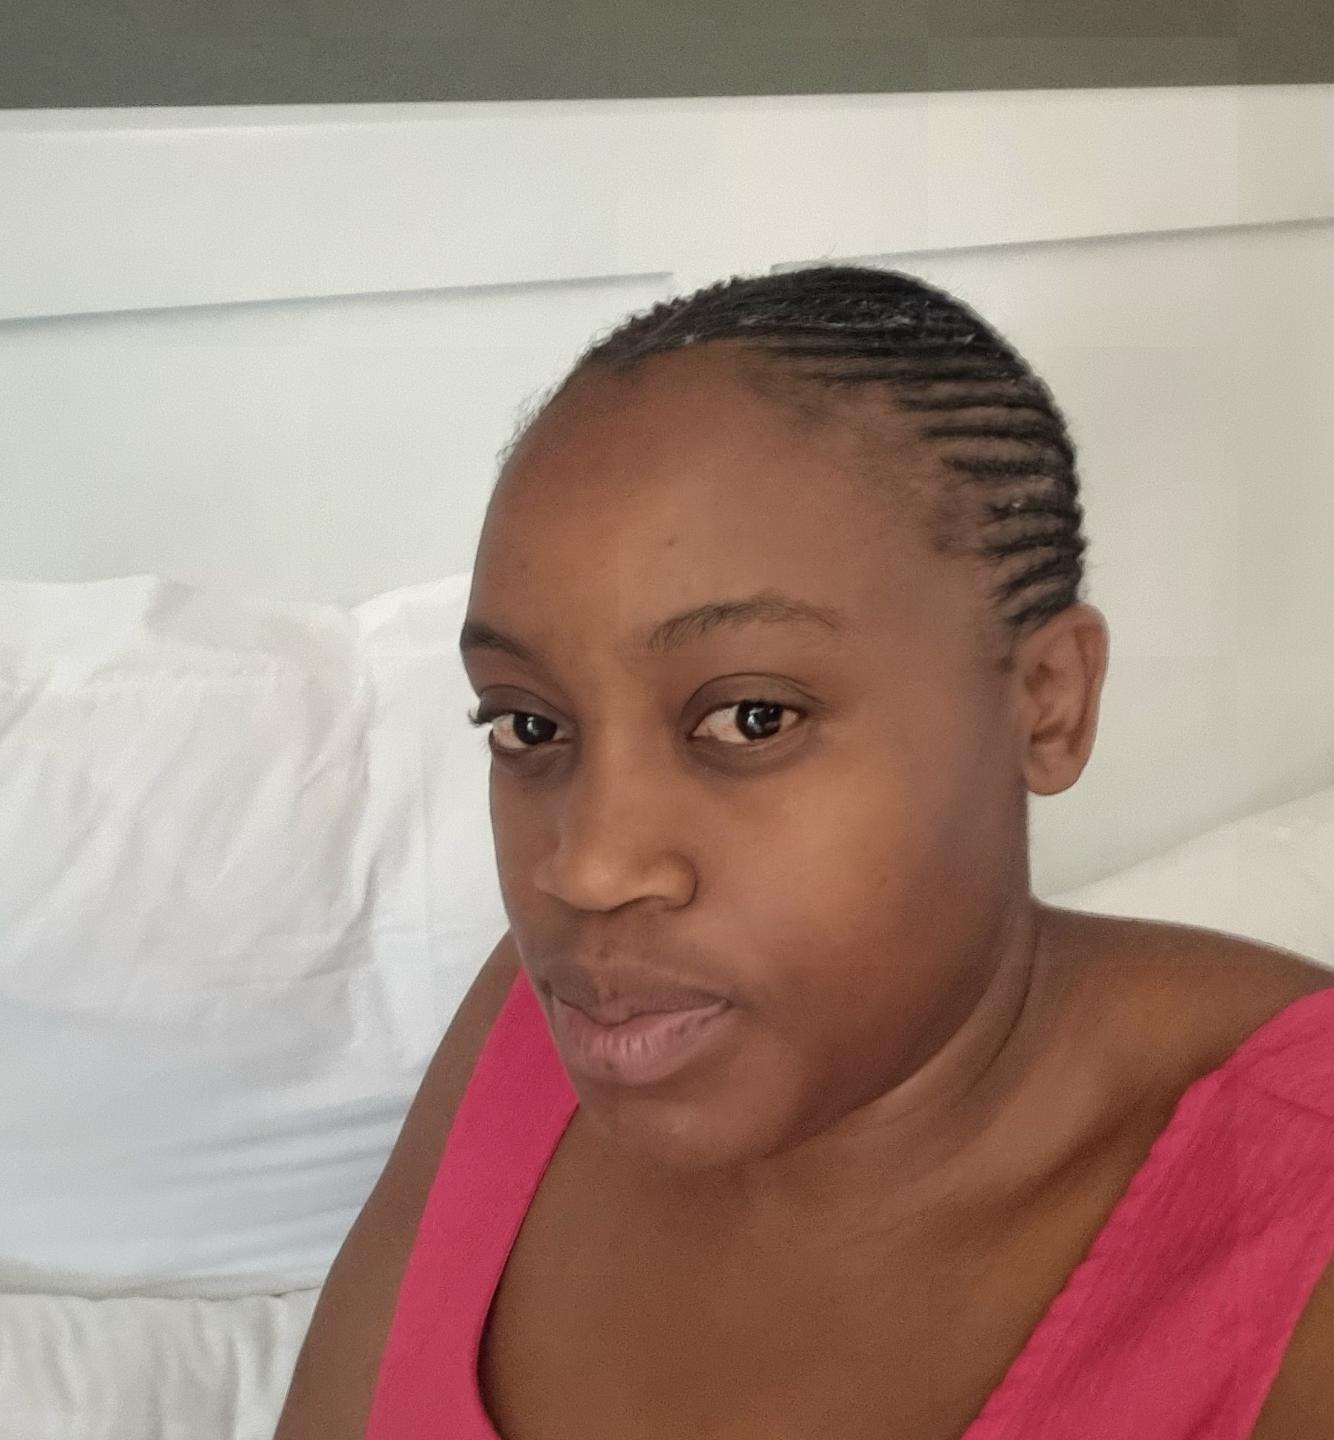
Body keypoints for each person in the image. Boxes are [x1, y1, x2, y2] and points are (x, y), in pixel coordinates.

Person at [273, 266, 1334, 1440]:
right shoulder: (534, 1031)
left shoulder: (1300, 1229)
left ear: (1043, 703)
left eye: (751, 718)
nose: (585, 871)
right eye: (528, 726)